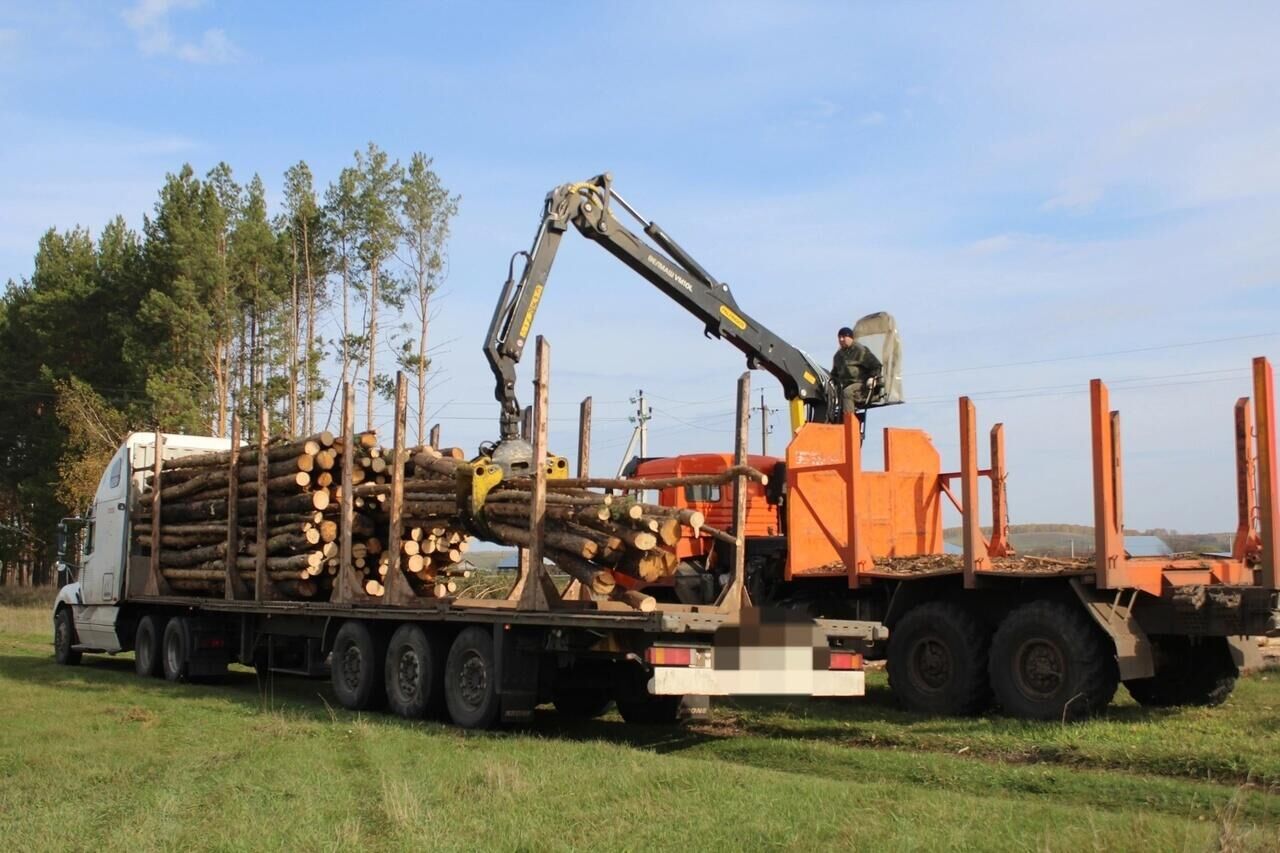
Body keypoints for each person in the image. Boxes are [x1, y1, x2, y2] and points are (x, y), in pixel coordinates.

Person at [831, 326, 882, 417]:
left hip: (862, 385)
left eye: (843, 337)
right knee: (830, 393)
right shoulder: (838, 356)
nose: (841, 339)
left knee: (847, 392)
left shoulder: (860, 351)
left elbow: (876, 365)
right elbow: (834, 374)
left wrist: (872, 378)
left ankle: (849, 421)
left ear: (851, 338)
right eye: (839, 337)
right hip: (845, 386)